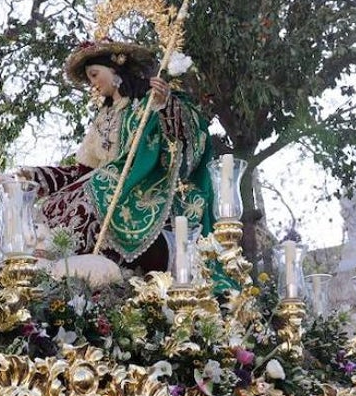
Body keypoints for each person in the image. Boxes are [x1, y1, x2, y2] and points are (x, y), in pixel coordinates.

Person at [17, 39, 214, 271]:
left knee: (97, 183)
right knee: (56, 202)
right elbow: (81, 172)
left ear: (116, 67)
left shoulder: (146, 102)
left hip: (138, 182)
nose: (93, 84)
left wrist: (164, 106)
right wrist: (38, 175)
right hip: (102, 184)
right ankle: (51, 257)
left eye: (94, 74)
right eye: (89, 78)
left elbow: (176, 140)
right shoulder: (102, 118)